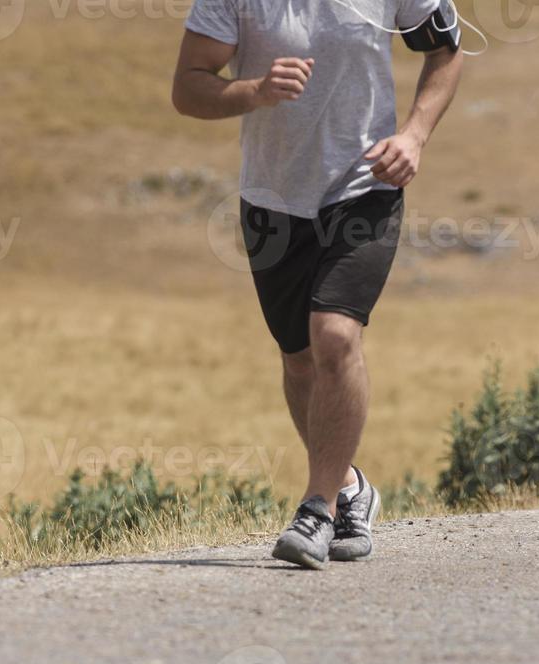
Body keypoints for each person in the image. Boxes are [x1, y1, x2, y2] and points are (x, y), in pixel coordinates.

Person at [172, 0, 463, 568]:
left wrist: (415, 136)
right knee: (298, 358)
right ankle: (352, 487)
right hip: (272, 202)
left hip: (365, 188)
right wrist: (253, 91)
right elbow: (188, 88)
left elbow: (445, 52)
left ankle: (317, 508)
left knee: (334, 336)